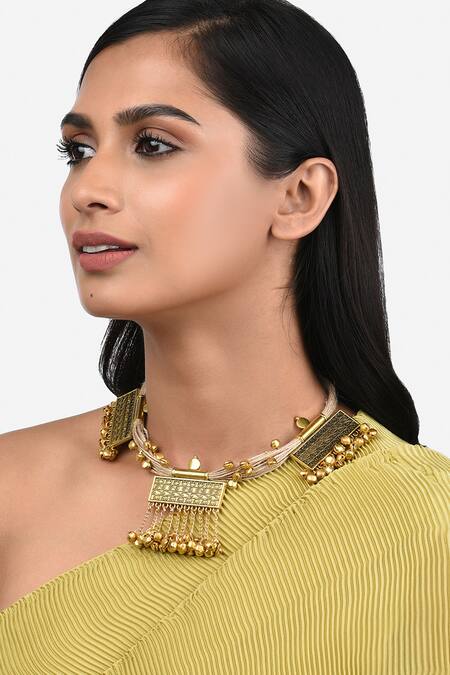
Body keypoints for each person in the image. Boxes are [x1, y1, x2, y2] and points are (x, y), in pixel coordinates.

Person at [0, 0, 448, 673]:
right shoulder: (11, 490)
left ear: (299, 196)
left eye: (153, 144)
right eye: (79, 150)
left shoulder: (426, 529)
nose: (87, 188)